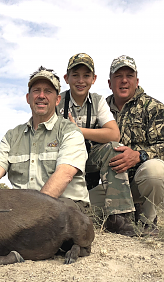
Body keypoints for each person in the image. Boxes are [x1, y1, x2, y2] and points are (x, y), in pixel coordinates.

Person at [0, 66, 90, 210]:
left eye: (48, 91)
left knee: (61, 213)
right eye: (36, 90)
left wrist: (31, 213)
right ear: (28, 98)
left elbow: (64, 175)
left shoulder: (70, 131)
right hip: (22, 206)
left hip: (63, 204)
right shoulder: (12, 135)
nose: (41, 95)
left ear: (58, 99)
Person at [56, 53, 137, 237]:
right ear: (67, 78)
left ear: (94, 79)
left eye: (86, 75)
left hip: (88, 160)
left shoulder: (98, 101)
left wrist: (78, 131)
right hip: (62, 162)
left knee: (113, 148)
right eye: (75, 75)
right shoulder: (58, 102)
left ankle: (119, 218)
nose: (81, 80)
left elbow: (113, 133)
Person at [90, 55, 164, 236]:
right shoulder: (100, 109)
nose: (124, 80)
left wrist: (140, 156)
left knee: (155, 171)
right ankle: (126, 215)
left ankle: (147, 221)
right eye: (118, 76)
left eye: (129, 76)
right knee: (82, 207)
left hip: (141, 183)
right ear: (109, 82)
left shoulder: (153, 107)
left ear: (137, 81)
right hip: (113, 187)